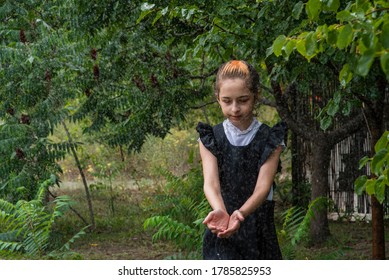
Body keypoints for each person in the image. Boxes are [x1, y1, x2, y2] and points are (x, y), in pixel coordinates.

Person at [196, 60, 287, 260]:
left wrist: (240, 214)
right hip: (223, 226)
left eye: (243, 100)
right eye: (227, 101)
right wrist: (221, 210)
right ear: (218, 98)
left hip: (258, 228)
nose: (235, 108)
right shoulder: (211, 138)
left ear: (256, 96)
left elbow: (263, 188)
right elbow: (210, 184)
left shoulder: (270, 139)